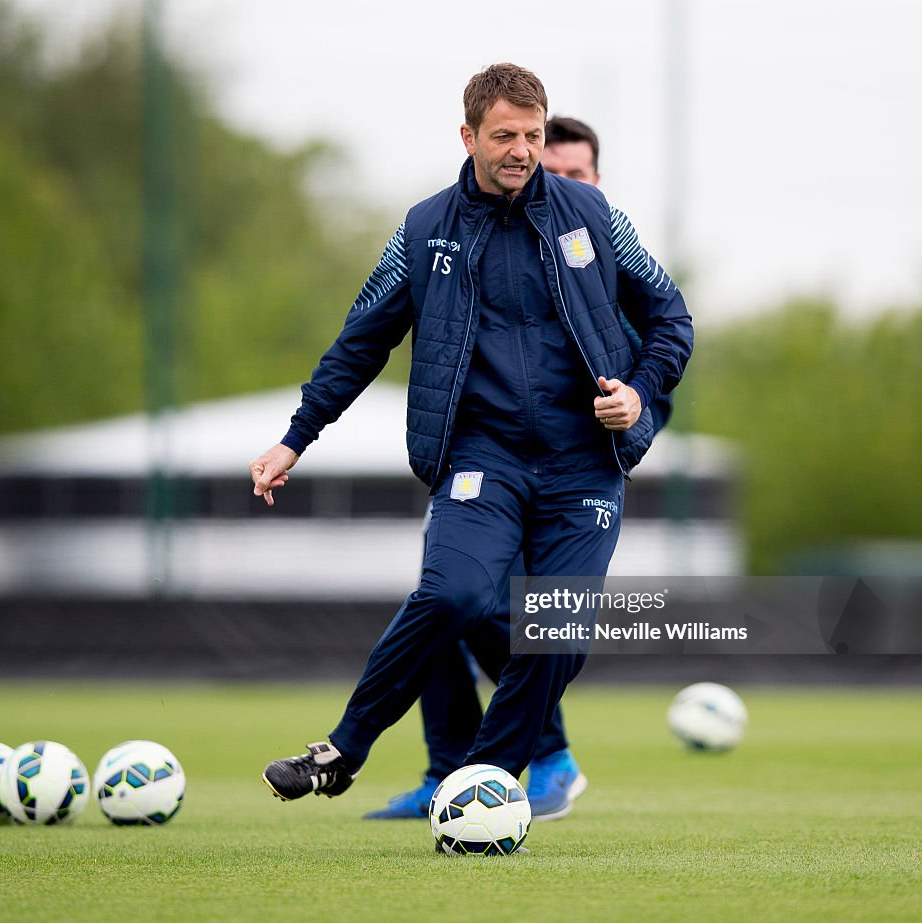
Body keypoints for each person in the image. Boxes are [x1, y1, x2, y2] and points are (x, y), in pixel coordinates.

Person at [251, 64, 693, 826]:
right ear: (469, 137)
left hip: (582, 465)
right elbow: (360, 343)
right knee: (454, 595)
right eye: (505, 136)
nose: (522, 150)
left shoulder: (593, 214)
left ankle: (479, 786)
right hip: (480, 459)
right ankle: (344, 751)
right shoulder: (424, 230)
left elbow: (672, 321)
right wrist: (297, 436)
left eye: (532, 135)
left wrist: (638, 393)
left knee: (554, 640)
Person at [363, 116, 610, 823]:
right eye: (542, 164)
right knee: (444, 602)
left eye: (572, 175)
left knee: (531, 622)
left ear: (596, 185)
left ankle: (539, 759)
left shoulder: (603, 264)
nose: (548, 179)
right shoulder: (473, 239)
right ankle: (454, 771)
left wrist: (630, 410)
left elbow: (656, 365)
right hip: (490, 468)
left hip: (574, 483)